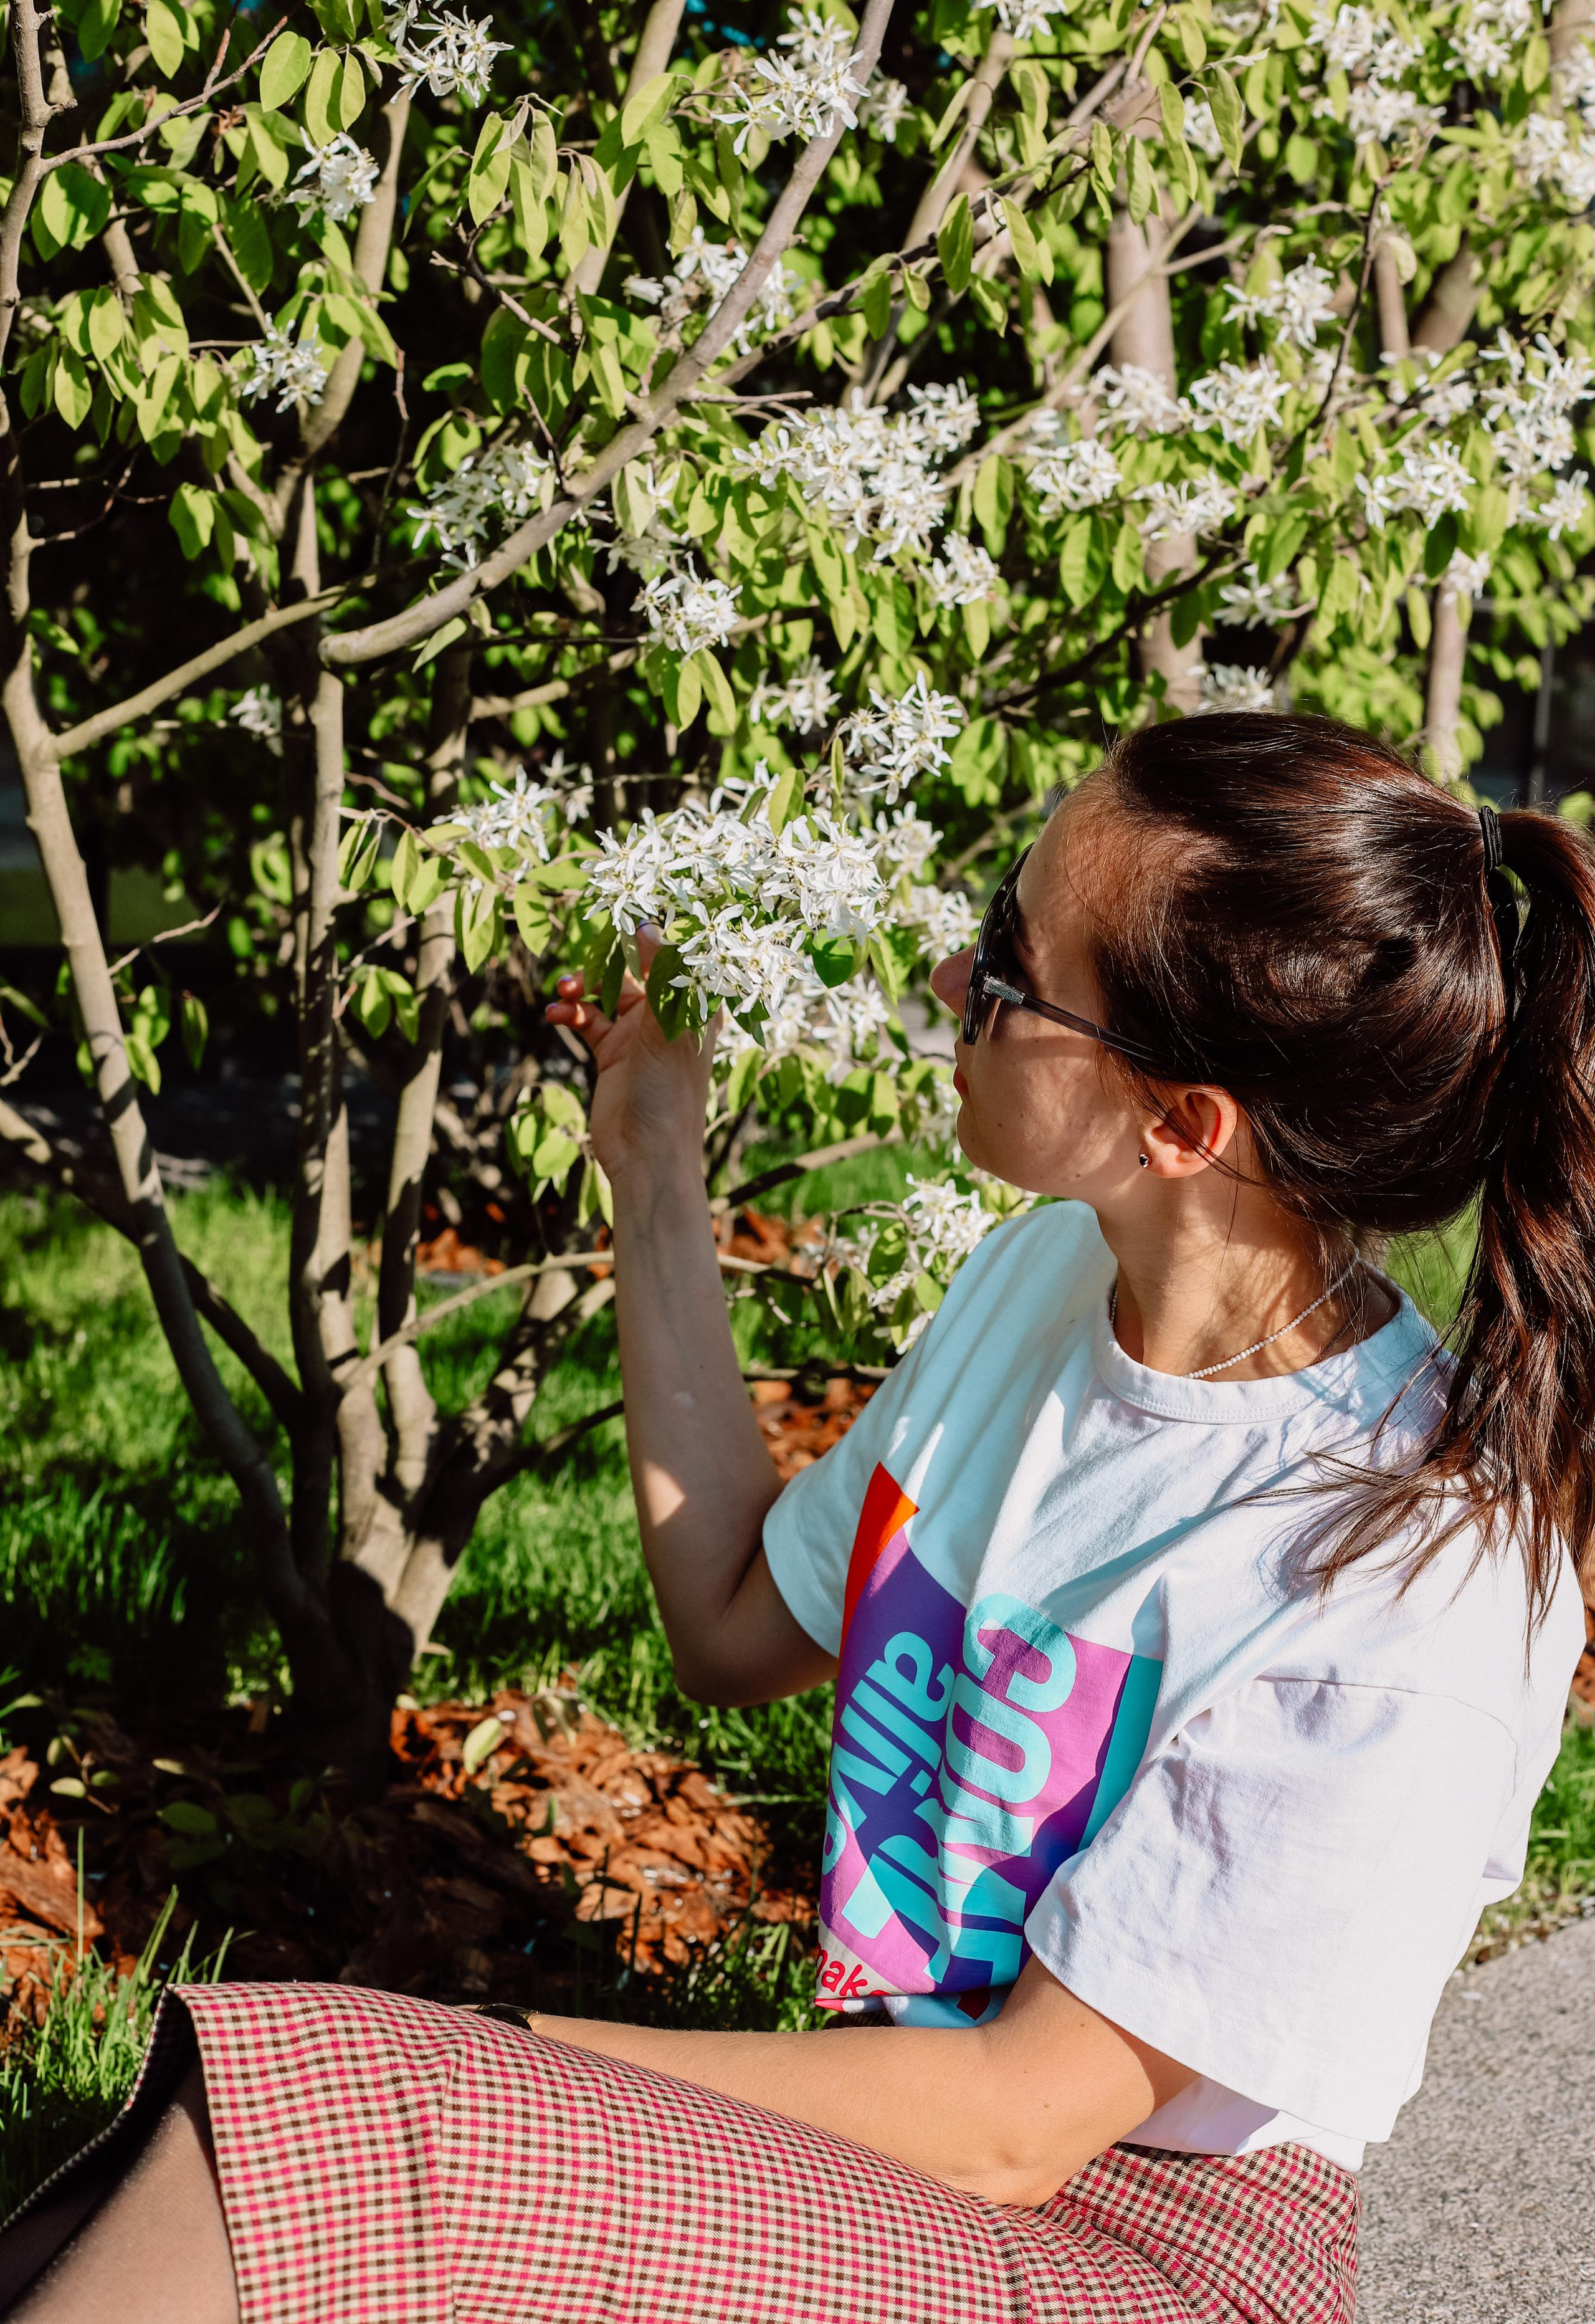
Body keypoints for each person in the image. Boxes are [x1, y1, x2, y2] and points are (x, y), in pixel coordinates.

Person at [2, 710, 1589, 2324]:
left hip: (1144, 2250)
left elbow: (1019, 2121)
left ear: (1181, 1125)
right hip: (936, 2145)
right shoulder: (1044, 1282)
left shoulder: (1404, 1580)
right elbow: (729, 1619)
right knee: (198, 2150)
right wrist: (654, 1163)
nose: (956, 979)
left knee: (354, 2116)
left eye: (1012, 962)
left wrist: (501, 2064)